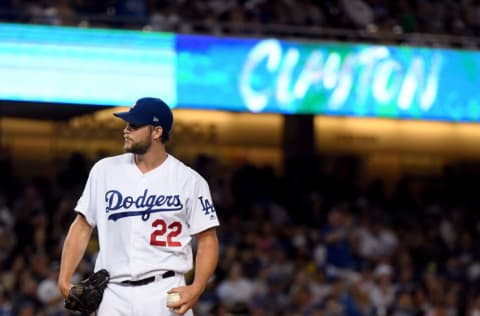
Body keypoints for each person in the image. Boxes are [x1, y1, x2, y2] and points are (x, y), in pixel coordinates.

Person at [57, 97, 220, 316]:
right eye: (127, 124)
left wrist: (197, 287)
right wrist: (64, 280)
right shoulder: (104, 170)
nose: (126, 130)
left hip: (164, 291)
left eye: (134, 125)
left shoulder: (189, 180)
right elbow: (82, 226)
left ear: (156, 132)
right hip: (113, 293)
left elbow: (207, 239)